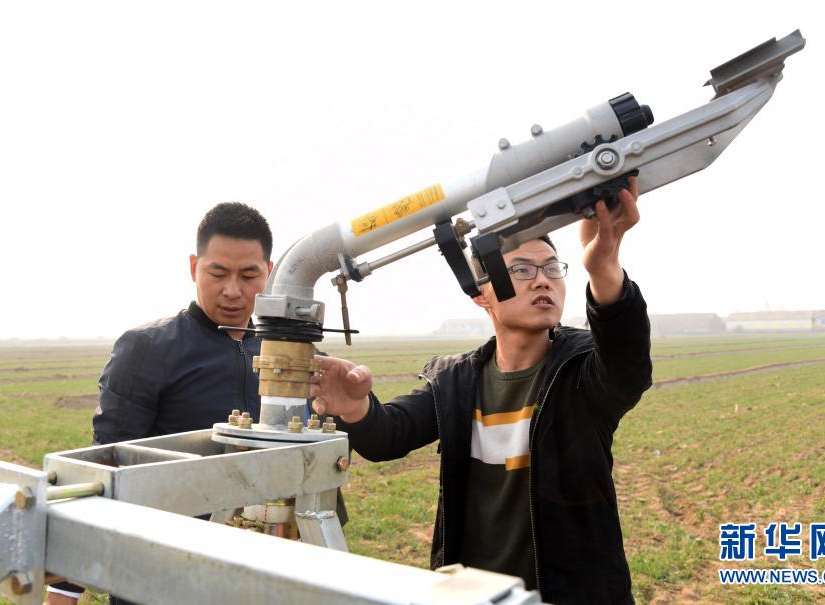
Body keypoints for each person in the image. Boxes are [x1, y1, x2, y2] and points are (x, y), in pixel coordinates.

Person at [310, 178, 652, 604]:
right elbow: (388, 435)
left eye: (551, 268)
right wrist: (356, 408)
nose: (542, 281)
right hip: (472, 596)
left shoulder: (580, 369)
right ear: (480, 293)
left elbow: (627, 367)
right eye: (522, 270)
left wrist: (603, 266)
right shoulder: (456, 380)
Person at [46, 202, 273, 605]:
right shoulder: (147, 349)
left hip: (259, 573)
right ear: (193, 267)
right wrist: (62, 591)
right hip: (158, 575)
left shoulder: (281, 354)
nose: (233, 290)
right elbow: (103, 467)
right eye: (218, 273)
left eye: (249, 275)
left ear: (269, 272)